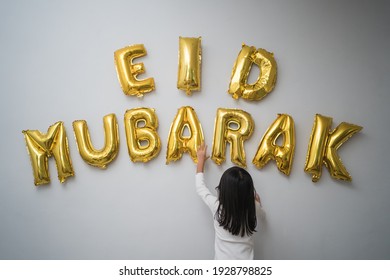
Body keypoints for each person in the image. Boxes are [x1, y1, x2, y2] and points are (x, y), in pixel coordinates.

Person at [195, 143, 265, 260]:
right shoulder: (253, 207)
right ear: (249, 191)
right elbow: (263, 216)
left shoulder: (217, 206)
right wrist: (258, 203)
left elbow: (200, 188)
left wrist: (200, 160)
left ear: (223, 189)